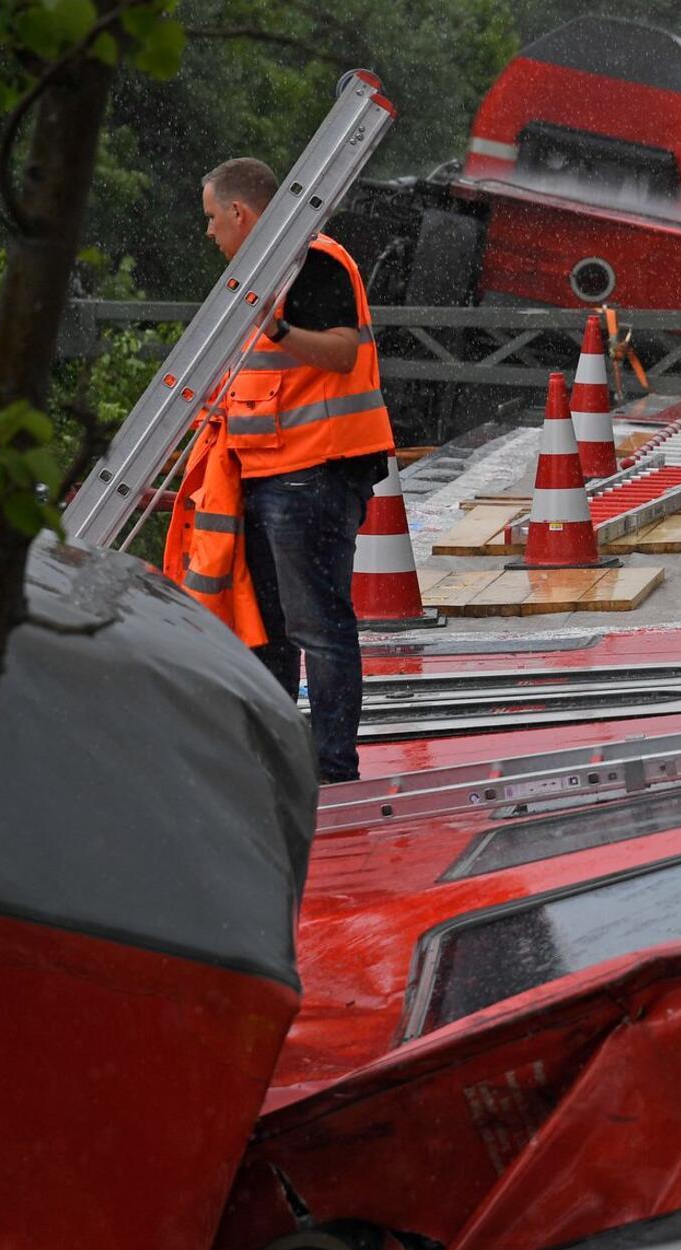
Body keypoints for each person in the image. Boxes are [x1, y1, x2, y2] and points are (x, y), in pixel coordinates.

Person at [165, 156, 392, 783]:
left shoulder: (308, 260)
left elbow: (342, 353)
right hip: (273, 471)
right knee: (272, 628)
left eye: (213, 217)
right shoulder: (262, 275)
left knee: (316, 625)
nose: (208, 231)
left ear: (240, 212)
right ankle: (286, 762)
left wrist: (281, 328)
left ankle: (329, 768)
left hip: (312, 471)